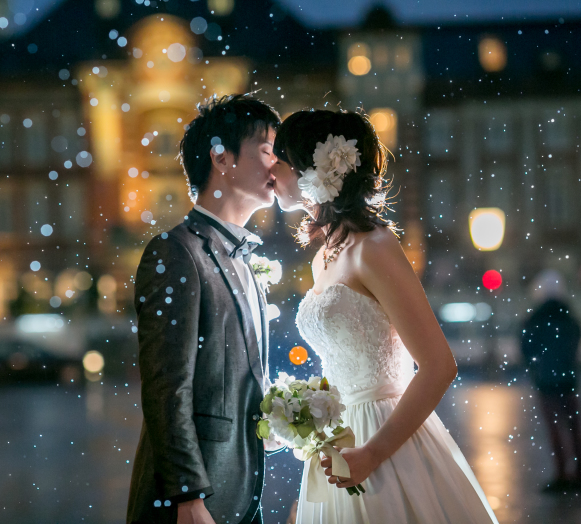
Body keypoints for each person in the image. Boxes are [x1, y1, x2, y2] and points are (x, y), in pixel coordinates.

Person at [270, 109, 498, 523]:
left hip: (384, 437)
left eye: (279, 160)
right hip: (339, 440)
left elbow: (438, 366)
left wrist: (373, 453)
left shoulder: (374, 247)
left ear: (312, 169)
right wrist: (305, 411)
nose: (270, 171)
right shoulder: (325, 256)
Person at [127, 94, 283, 524]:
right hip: (192, 504)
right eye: (268, 151)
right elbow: (166, 387)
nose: (278, 165)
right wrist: (188, 496)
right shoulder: (175, 252)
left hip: (241, 494)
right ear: (221, 157)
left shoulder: (249, 266)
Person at [520, 270, 581, 490]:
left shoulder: (535, 319)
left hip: (546, 382)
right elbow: (576, 339)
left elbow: (526, 347)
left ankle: (562, 473)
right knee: (574, 426)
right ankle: (579, 471)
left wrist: (537, 368)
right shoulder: (568, 317)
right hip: (568, 380)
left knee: (555, 428)